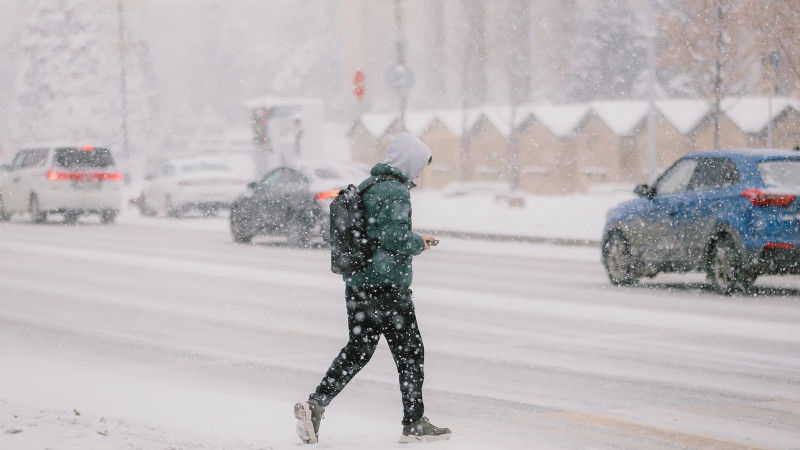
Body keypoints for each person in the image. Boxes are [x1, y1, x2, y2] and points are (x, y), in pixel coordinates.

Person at [294, 132, 452, 444]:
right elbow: (393, 238)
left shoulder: (370, 186)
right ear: (408, 162)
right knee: (410, 353)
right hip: (387, 285)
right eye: (419, 165)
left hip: (360, 284)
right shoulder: (395, 191)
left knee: (358, 350)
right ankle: (414, 423)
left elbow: (375, 232)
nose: (419, 173)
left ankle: (316, 405)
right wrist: (419, 242)